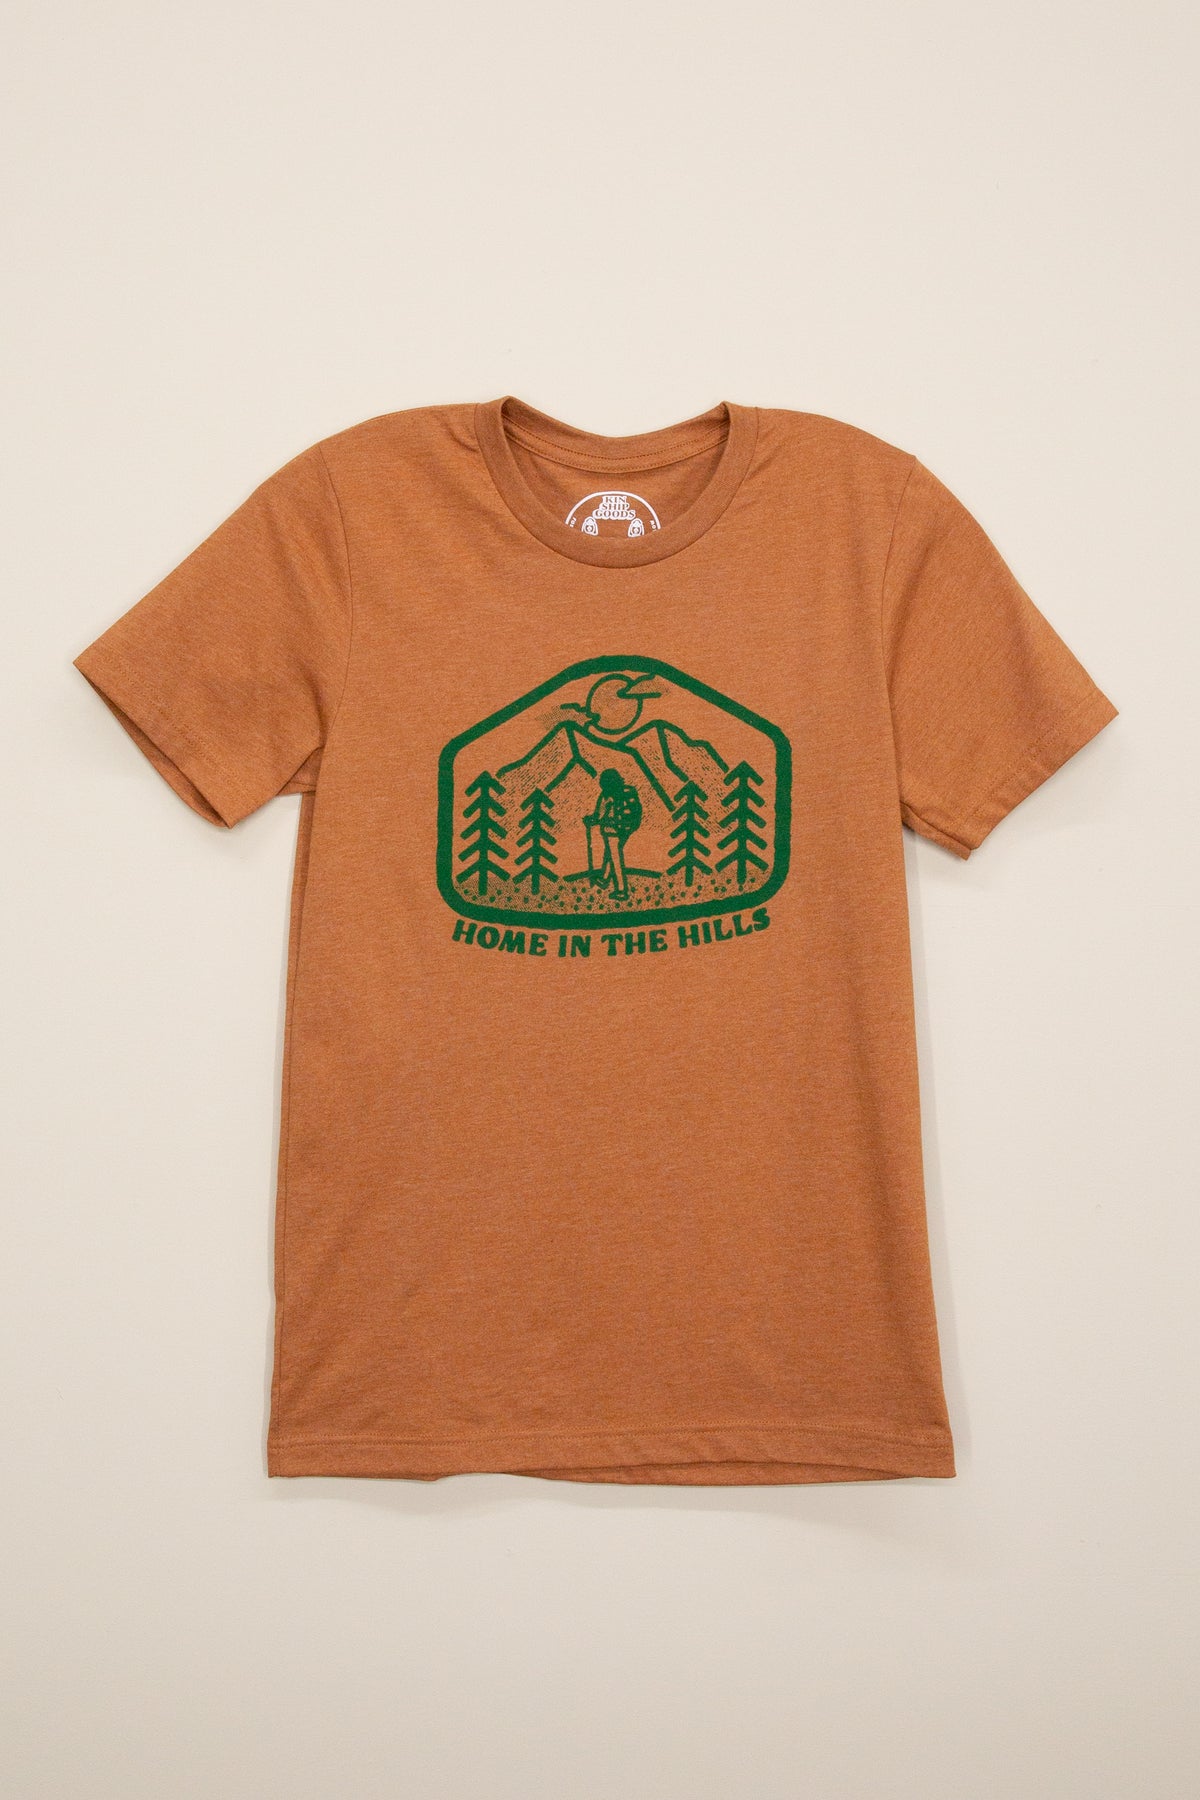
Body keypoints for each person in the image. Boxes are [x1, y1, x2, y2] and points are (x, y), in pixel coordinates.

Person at [584, 768, 640, 897]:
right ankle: (604, 878)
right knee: (610, 853)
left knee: (615, 858)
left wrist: (589, 820)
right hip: (627, 828)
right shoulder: (626, 791)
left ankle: (621, 890)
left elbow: (599, 815)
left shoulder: (606, 796)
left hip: (612, 830)